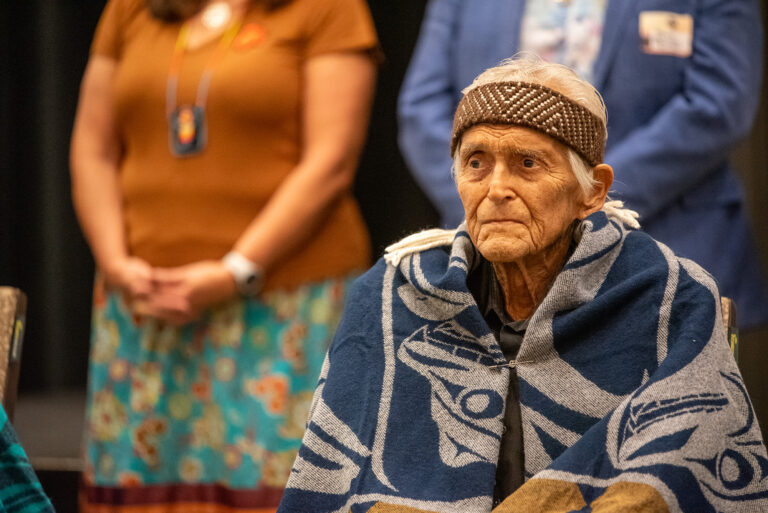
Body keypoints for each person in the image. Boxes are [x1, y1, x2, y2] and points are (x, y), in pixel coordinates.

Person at [277, 57, 768, 513]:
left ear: (592, 190)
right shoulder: (396, 292)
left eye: (527, 164)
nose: (495, 189)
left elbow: (683, 465)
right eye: (476, 163)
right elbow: (337, 474)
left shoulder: (665, 294)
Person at [70, 0, 377, 509]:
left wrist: (235, 271)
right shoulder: (131, 10)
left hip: (284, 307)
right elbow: (91, 147)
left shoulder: (327, 9)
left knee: (281, 491)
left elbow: (331, 160)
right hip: (143, 305)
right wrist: (115, 263)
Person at [398, 0, 768, 329]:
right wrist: (487, 196)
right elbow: (422, 108)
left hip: (675, 237)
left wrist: (577, 194)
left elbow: (718, 103)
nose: (498, 189)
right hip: (493, 271)